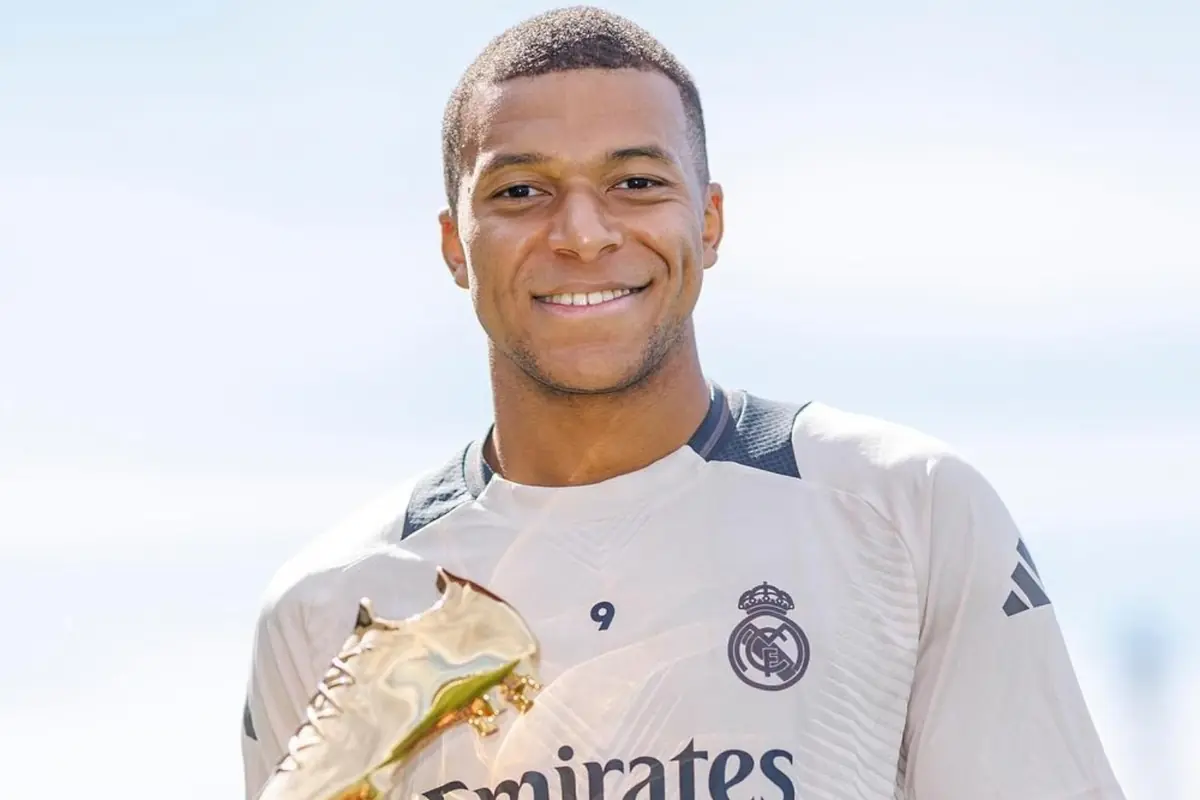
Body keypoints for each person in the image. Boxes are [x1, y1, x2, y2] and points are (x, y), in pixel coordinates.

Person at [240, 6, 1125, 800]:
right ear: (454, 244)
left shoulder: (907, 509)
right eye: (521, 192)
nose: (582, 233)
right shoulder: (332, 603)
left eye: (636, 183)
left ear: (708, 222)